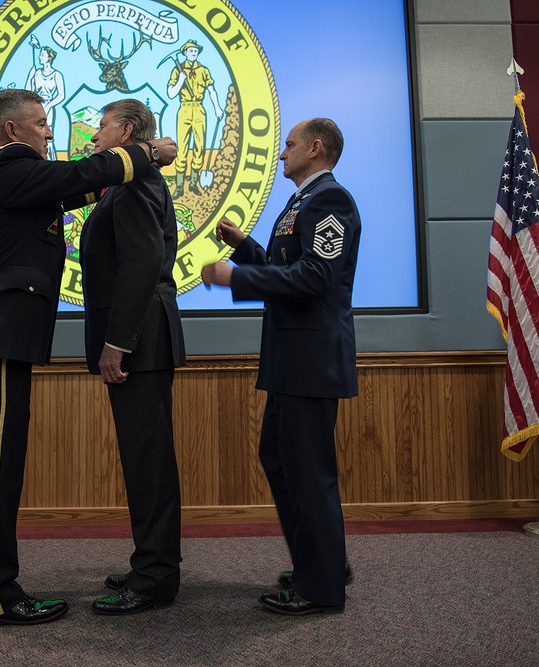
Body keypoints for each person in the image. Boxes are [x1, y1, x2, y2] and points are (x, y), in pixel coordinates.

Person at [0, 89, 177, 627]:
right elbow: (73, 180)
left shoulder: (14, 176)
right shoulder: (11, 165)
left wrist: (115, 176)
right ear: (11, 132)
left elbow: (71, 191)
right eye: (43, 123)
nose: (52, 133)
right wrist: (144, 155)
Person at [200, 118, 360, 616]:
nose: (280, 153)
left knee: (308, 472)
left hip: (310, 359)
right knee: (280, 459)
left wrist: (237, 276)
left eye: (289, 144)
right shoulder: (301, 202)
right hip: (293, 359)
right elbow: (288, 264)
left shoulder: (331, 200)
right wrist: (245, 248)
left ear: (316, 148)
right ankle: (321, 563)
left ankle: (322, 587)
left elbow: (315, 277)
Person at [79, 99, 186, 615]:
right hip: (142, 337)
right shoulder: (125, 183)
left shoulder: (135, 183)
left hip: (139, 340)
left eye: (101, 125)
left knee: (149, 462)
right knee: (145, 459)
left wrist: (117, 341)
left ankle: (155, 577)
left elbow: (142, 266)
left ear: (126, 131)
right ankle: (152, 561)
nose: (94, 134)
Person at [166, 39, 223, 199]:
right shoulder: (178, 70)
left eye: (195, 51)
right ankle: (179, 186)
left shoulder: (203, 70)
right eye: (190, 51)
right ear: (185, 53)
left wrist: (217, 108)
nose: (193, 53)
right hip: (184, 108)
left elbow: (211, 90)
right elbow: (171, 93)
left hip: (199, 109)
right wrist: (181, 80)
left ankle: (193, 183)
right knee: (182, 148)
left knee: (200, 147)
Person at [25, 35, 65, 160]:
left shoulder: (56, 75)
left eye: (42, 55)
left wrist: (49, 104)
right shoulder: (36, 73)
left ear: (49, 57)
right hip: (36, 108)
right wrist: (30, 77)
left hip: (49, 106)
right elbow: (27, 92)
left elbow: (61, 95)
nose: (39, 57)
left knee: (47, 135)